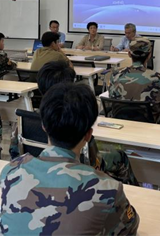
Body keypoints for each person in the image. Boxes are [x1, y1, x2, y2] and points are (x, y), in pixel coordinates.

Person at [0, 82, 140, 235]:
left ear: (43, 126)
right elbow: (130, 227)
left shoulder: (11, 171)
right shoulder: (107, 190)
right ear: (88, 135)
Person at [10, 60, 139, 186]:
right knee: (120, 155)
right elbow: (94, 161)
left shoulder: (25, 121)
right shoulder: (77, 122)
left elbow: (14, 152)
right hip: (78, 176)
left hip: (38, 173)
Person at [109, 38, 160, 121]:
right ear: (149, 55)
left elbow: (111, 96)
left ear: (129, 54)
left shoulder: (115, 75)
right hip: (148, 125)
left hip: (120, 123)